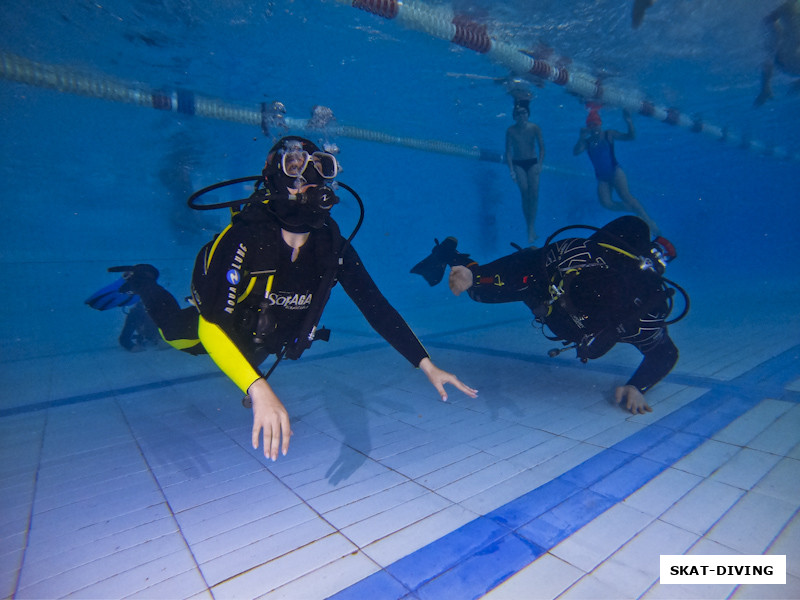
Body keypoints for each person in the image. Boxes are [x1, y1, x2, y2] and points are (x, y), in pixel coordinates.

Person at [103, 136, 478, 461]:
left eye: (321, 168)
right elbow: (211, 325)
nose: (309, 181)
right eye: (296, 167)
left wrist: (425, 364)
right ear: (274, 178)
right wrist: (258, 388)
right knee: (173, 332)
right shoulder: (245, 239)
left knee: (245, 356)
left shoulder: (331, 245)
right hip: (222, 329)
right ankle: (144, 281)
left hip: (264, 342)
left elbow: (375, 306)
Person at [410, 216, 686, 415]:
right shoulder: (577, 254)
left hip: (553, 285)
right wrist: (475, 276)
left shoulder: (639, 315)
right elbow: (527, 264)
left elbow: (665, 354)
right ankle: (449, 256)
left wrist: (638, 386)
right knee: (476, 291)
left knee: (487, 283)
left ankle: (453, 258)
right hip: (539, 284)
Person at [573, 107, 660, 236]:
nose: (593, 128)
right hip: (602, 178)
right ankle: (634, 211)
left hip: (615, 172)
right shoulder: (587, 142)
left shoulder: (609, 134)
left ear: (600, 124)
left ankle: (649, 222)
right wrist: (581, 137)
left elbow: (630, 137)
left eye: (595, 125)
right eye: (590, 125)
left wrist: (629, 122)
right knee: (606, 203)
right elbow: (576, 152)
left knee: (626, 196)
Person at [506, 99, 546, 244]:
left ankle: (531, 228)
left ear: (528, 114)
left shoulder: (534, 128)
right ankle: (529, 227)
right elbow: (508, 152)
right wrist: (511, 170)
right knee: (524, 192)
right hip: (519, 164)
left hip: (532, 162)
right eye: (518, 114)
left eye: (523, 113)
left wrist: (540, 165)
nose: (521, 116)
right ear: (514, 116)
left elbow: (542, 148)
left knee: (534, 194)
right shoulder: (510, 131)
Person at [754, 0, 800, 107]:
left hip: (787, 63)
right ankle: (765, 90)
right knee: (776, 38)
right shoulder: (789, 10)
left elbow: (769, 20)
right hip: (787, 63)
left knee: (775, 39)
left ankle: (765, 90)